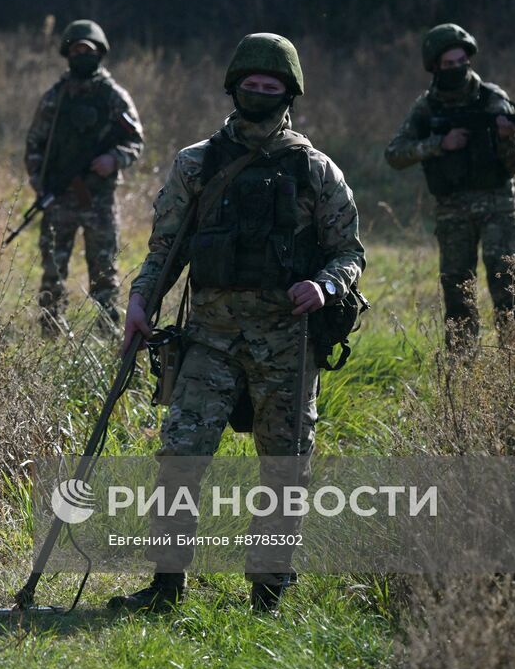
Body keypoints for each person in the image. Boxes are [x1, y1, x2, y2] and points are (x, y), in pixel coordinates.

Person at [113, 33, 365, 613]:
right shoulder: (197, 165)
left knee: (284, 467)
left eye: (269, 88)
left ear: (288, 95)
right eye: (248, 86)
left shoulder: (315, 171)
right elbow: (165, 252)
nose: (257, 94)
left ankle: (269, 594)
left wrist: (324, 285)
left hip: (287, 341)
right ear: (233, 89)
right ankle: (164, 587)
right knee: (180, 457)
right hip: (210, 339)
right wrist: (140, 303)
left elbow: (349, 251)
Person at [384, 23, 515, 354]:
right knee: (457, 293)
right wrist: (439, 144)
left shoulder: (494, 100)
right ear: (435, 67)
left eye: (461, 61)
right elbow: (394, 154)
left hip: (499, 206)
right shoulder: (426, 108)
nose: (457, 69)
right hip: (453, 211)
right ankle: (463, 370)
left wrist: (507, 139)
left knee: (507, 285)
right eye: (448, 64)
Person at [23, 19, 143, 336]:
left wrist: (113, 159)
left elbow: (135, 140)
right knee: (52, 269)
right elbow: (35, 143)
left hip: (99, 198)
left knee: (104, 269)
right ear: (67, 53)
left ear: (99, 53)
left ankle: (108, 330)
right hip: (59, 197)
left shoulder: (114, 96)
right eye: (76, 50)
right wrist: (39, 180)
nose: (81, 55)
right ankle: (51, 329)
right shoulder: (55, 97)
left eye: (87, 50)